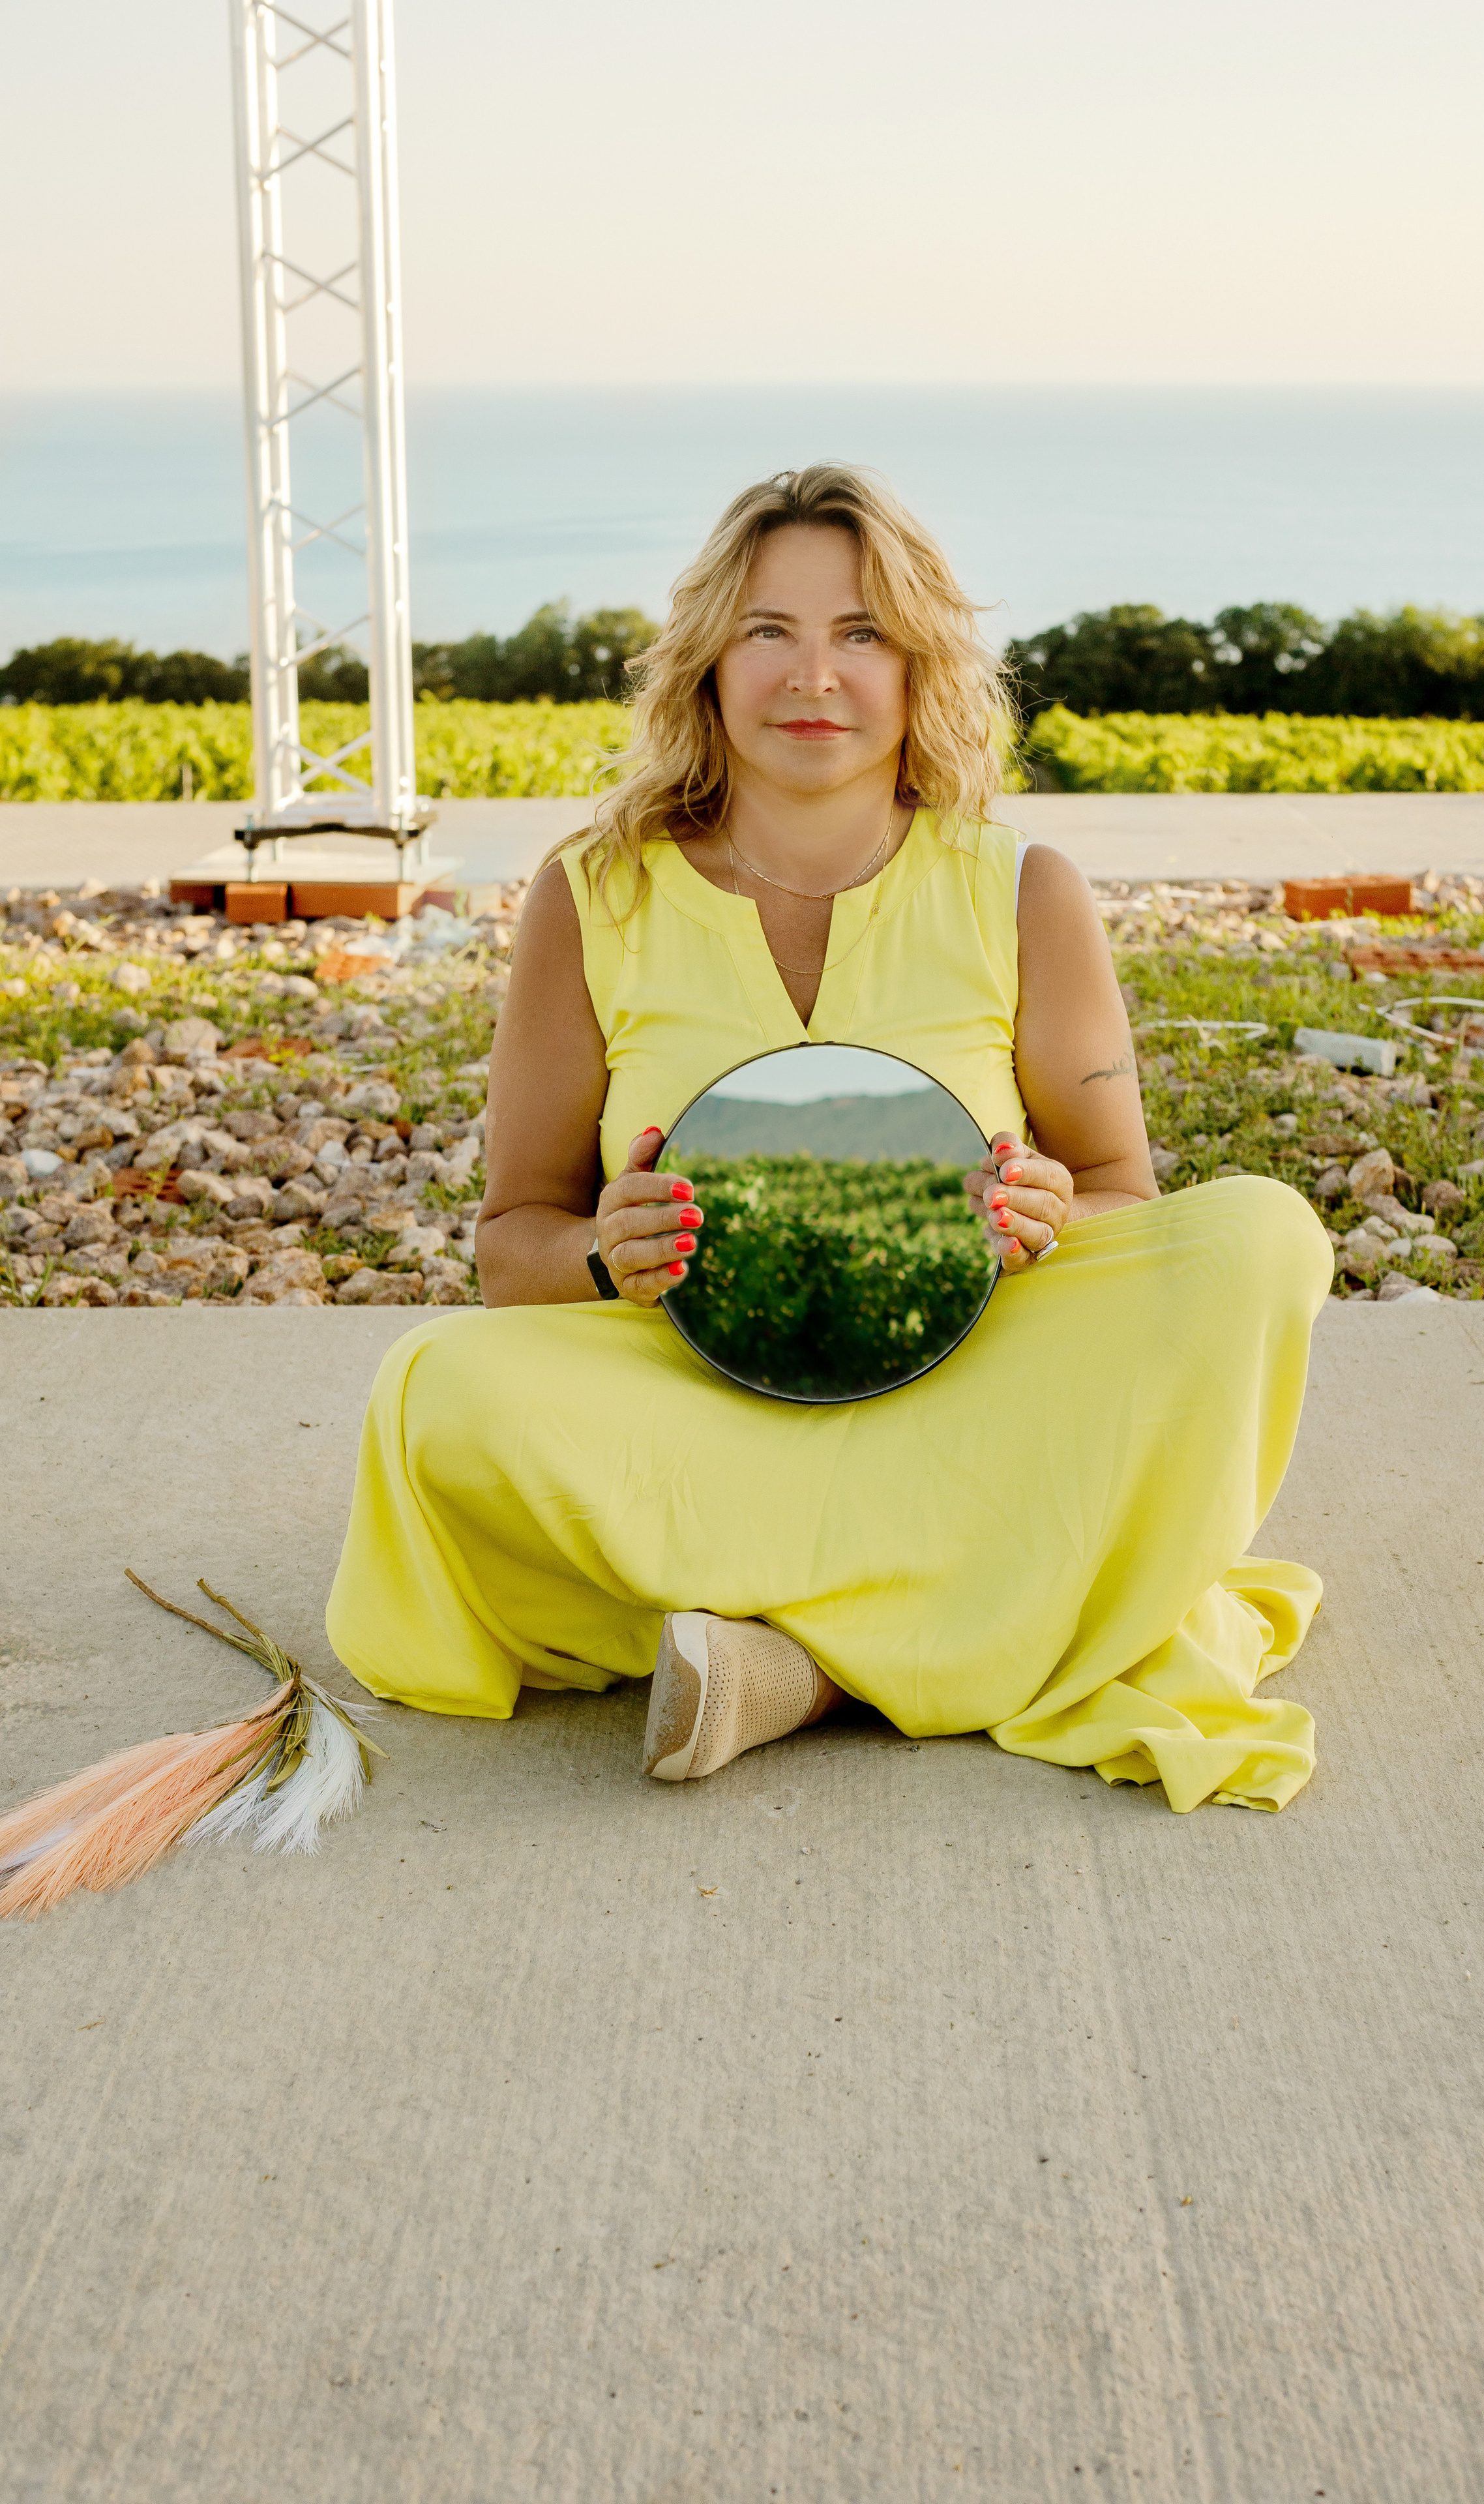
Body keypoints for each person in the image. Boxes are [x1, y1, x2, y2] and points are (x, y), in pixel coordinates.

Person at [327, 466, 1333, 1811]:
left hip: (977, 1376)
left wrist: (1046, 1212)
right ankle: (960, 1612)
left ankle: (792, 1663)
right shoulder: (592, 895)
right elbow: (510, 1247)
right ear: (706, 667)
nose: (814, 674)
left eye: (859, 633)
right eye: (768, 632)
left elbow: (1121, 1198)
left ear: (919, 669)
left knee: (1259, 1237)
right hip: (691, 1401)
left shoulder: (1020, 887)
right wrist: (596, 1255)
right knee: (437, 1388)